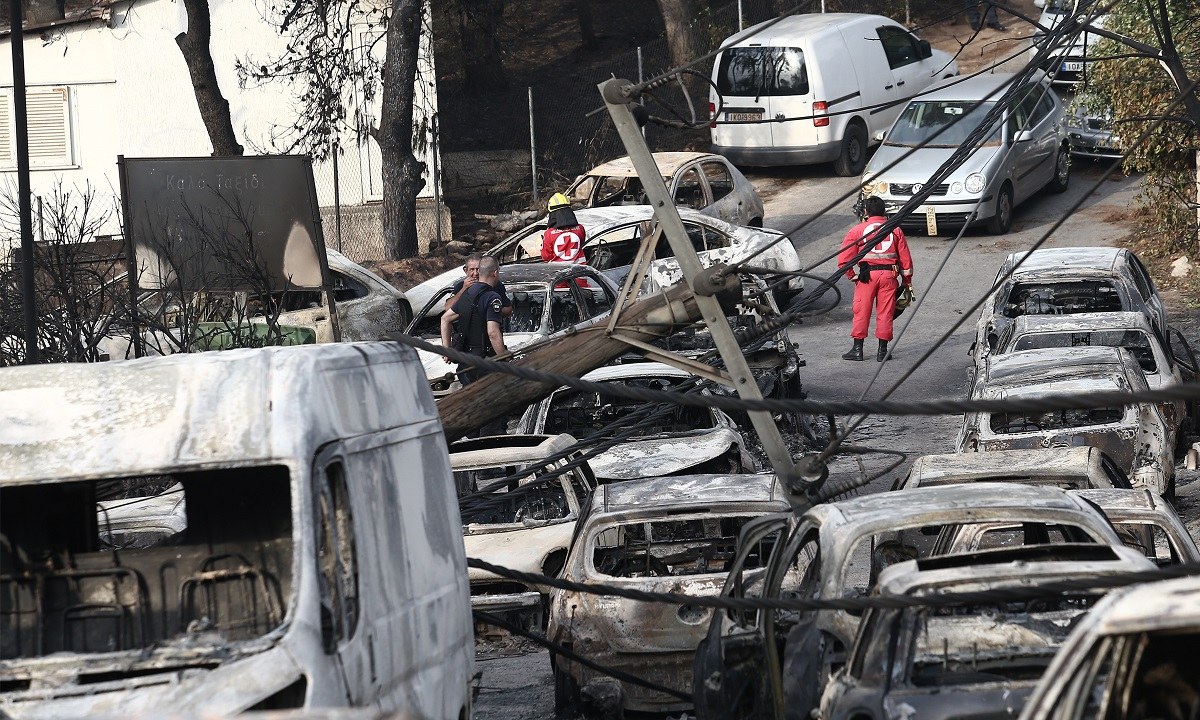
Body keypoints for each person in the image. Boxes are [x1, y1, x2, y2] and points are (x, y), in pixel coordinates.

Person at [837, 196, 914, 362]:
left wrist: (852, 276)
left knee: (861, 311)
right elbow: (906, 261)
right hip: (889, 276)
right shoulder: (896, 230)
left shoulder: (857, 230)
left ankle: (858, 350)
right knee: (886, 312)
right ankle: (882, 352)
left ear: (866, 212)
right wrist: (907, 281)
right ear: (884, 211)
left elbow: (843, 260)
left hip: (866, 277)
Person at [441, 255, 507, 385]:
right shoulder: (492, 297)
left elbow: (445, 319)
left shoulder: (466, 295)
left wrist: (446, 349)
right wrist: (504, 359)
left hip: (466, 365)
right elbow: (493, 333)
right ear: (495, 273)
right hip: (485, 363)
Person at [444, 252, 512, 318]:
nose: (476, 273)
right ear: (465, 270)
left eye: (478, 269)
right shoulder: (460, 286)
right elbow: (448, 308)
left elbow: (508, 309)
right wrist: (463, 289)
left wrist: (492, 311)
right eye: (472, 269)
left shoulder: (495, 285)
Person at [542, 193, 588, 265]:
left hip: (559, 273)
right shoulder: (580, 228)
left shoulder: (549, 234)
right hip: (580, 271)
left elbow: (546, 257)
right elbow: (581, 244)